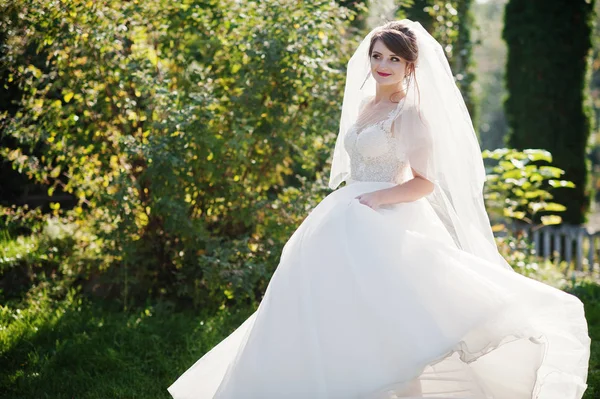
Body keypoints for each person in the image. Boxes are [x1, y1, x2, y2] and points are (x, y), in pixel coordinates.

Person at [167, 19, 591, 398]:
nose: (382, 64)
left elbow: (424, 182)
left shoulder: (411, 116)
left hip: (384, 222)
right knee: (330, 313)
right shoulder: (366, 105)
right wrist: (357, 197)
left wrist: (377, 198)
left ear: (410, 65)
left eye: (393, 58)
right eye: (376, 56)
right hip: (343, 218)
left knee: (395, 324)